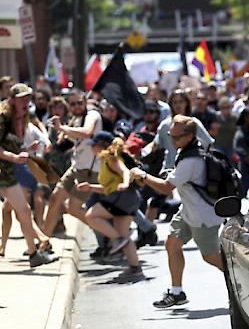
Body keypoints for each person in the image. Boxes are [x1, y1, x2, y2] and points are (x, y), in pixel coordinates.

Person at [129, 115, 225, 307]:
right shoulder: (187, 152)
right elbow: (177, 178)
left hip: (202, 216)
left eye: (176, 137)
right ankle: (176, 292)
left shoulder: (192, 160)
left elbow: (166, 188)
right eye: (170, 136)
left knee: (211, 257)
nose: (172, 141)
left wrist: (143, 175)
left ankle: (242, 279)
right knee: (172, 243)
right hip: (189, 211)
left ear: (190, 136)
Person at [0, 84, 56, 267]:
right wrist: (15, 157)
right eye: (22, 98)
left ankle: (34, 254)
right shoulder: (3, 117)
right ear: (12, 99)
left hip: (6, 172)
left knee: (23, 210)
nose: (26, 102)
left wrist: (25, 150)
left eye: (28, 98)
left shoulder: (22, 119)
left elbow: (11, 146)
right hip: (5, 170)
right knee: (18, 210)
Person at [76, 132, 143, 280]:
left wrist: (125, 183)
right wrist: (90, 187)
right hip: (127, 198)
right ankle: (135, 268)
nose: (91, 147)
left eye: (93, 144)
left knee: (91, 215)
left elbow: (125, 171)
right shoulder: (105, 161)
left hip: (122, 197)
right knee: (124, 235)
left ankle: (116, 239)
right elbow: (108, 188)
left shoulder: (110, 158)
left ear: (101, 145)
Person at [43, 89, 103, 238]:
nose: (77, 106)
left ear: (84, 102)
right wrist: (63, 136)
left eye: (79, 103)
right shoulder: (75, 120)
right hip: (76, 168)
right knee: (54, 199)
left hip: (90, 171)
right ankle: (44, 242)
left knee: (73, 208)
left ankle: (107, 233)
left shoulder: (92, 115)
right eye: (73, 104)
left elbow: (87, 132)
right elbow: (75, 140)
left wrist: (62, 128)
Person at [154, 89, 214, 170]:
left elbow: (208, 145)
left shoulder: (194, 123)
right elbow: (156, 144)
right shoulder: (165, 125)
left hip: (190, 170)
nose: (178, 105)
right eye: (175, 102)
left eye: (181, 102)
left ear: (186, 103)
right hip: (169, 168)